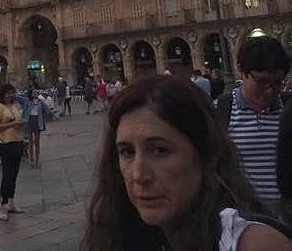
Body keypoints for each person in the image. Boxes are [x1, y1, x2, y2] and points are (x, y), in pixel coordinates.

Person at [82, 75, 292, 251]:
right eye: (127, 152)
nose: (139, 175)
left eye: (160, 150)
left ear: (204, 153)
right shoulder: (119, 237)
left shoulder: (255, 245)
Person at [219, 36, 290, 210]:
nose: (270, 90)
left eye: (277, 82)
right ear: (241, 71)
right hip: (244, 217)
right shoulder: (221, 111)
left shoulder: (289, 110)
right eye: (261, 81)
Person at [0, 83, 27, 221]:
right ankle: (2, 207)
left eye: (12, 92)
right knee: (7, 175)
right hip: (5, 143)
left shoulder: (14, 106)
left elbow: (17, 122)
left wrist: (20, 126)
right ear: (3, 93)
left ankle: (11, 203)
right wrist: (13, 124)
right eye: (8, 92)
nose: (10, 95)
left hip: (17, 141)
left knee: (14, 174)